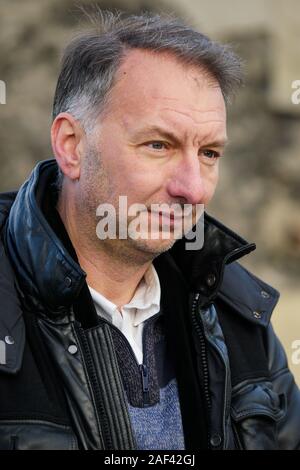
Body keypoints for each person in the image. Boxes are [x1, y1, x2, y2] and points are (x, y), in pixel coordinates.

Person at [0, 11, 299, 451]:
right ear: (72, 146)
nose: (193, 188)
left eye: (210, 153)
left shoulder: (239, 314)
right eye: (159, 145)